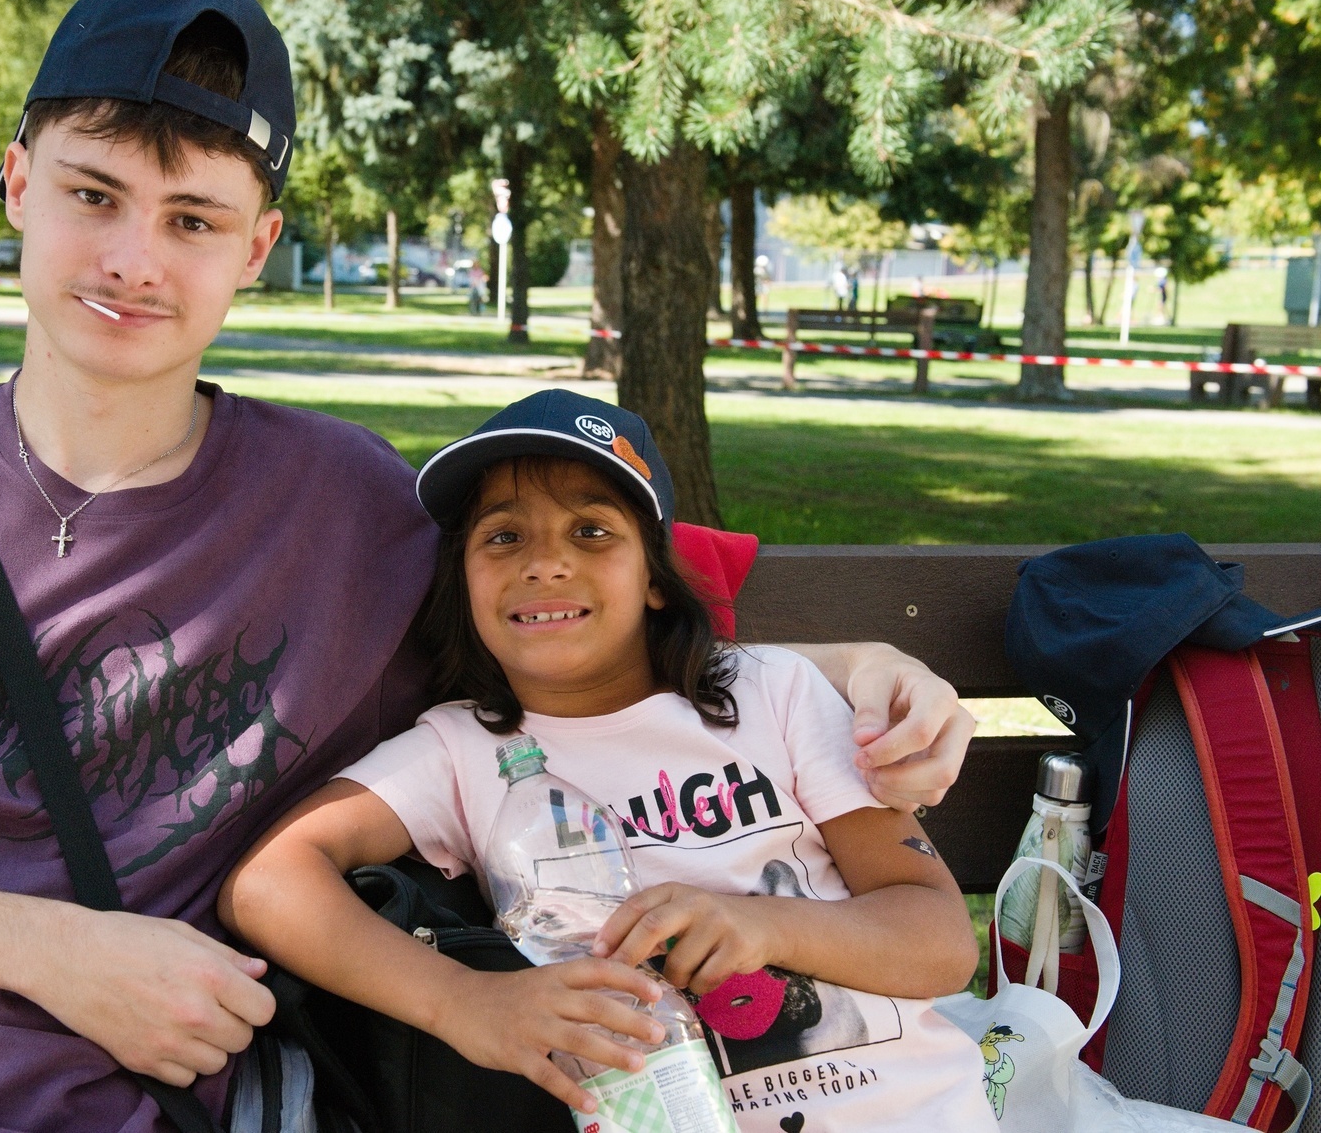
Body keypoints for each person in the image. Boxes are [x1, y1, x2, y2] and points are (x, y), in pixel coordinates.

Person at [0, 0, 977, 1133]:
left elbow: (575, 614)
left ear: (256, 248)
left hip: (150, 1098)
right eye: (92, 194)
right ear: (15, 181)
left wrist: (852, 663)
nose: (132, 258)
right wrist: (49, 949)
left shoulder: (345, 502)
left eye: (192, 218)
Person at [223, 391, 997, 1133]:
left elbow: (939, 941)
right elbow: (266, 882)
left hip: (910, 1109)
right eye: (503, 536)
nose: (545, 563)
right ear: (463, 579)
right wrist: (460, 1002)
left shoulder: (775, 693)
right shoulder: (462, 751)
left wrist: (766, 922)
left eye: (591, 530)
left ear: (655, 577)